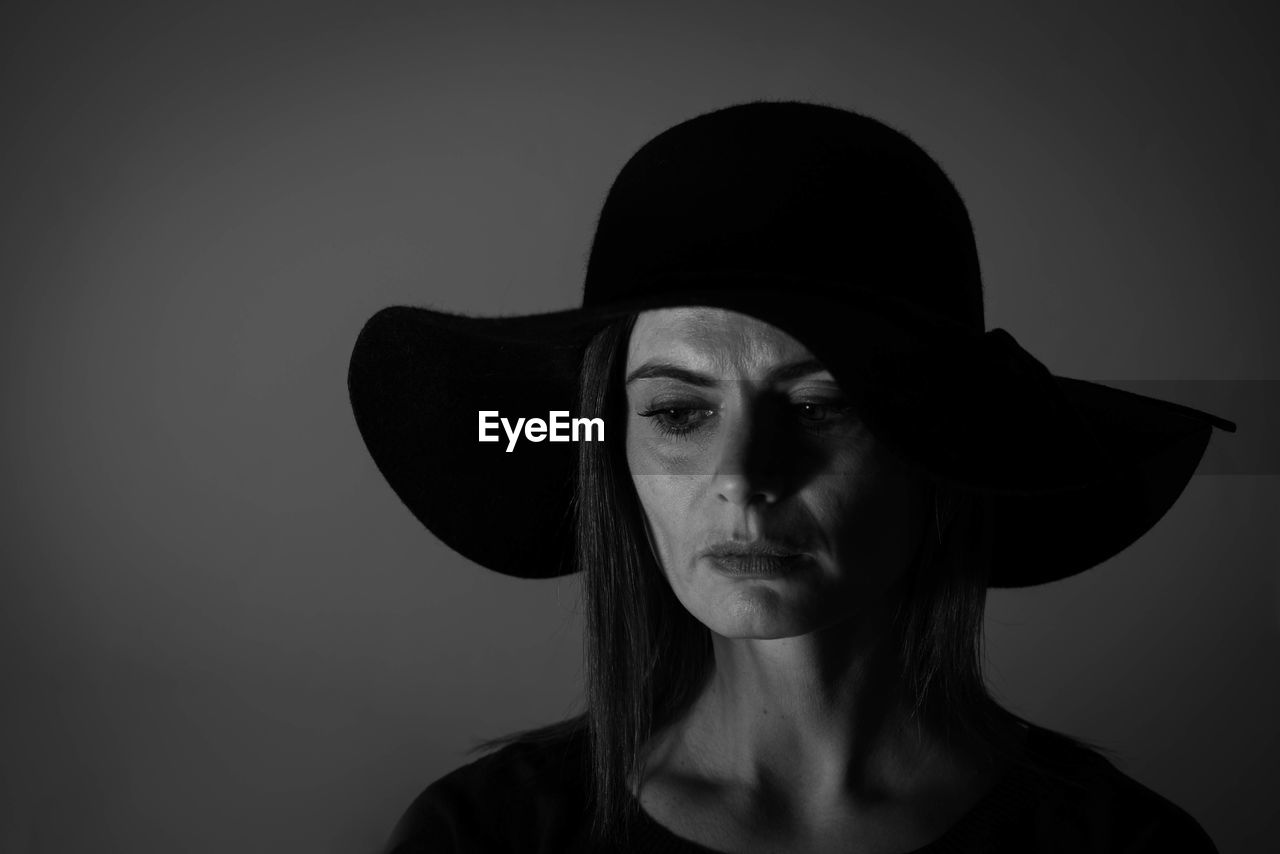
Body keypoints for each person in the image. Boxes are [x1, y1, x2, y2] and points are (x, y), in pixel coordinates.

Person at [348, 101, 1233, 853]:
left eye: (819, 409)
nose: (743, 477)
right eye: (677, 414)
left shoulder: (1122, 844)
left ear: (940, 451)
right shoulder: (484, 838)